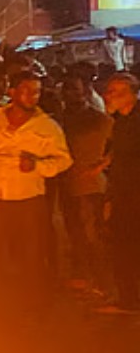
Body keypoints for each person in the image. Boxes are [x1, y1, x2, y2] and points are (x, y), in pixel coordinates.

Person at [0, 71, 72, 312]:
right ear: (12, 92)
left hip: (28, 202)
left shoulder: (47, 127)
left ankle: (31, 304)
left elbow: (64, 160)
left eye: (36, 91)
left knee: (31, 256)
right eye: (26, 90)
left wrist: (38, 165)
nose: (32, 96)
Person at [58, 73, 112, 294]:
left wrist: (101, 166)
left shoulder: (101, 120)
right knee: (76, 230)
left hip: (90, 187)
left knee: (91, 234)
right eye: (68, 90)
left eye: (76, 90)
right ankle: (88, 276)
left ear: (86, 92)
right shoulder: (59, 120)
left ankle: (99, 280)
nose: (72, 94)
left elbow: (120, 148)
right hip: (68, 184)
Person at [103, 73, 140, 313]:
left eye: (114, 92)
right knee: (123, 246)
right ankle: (128, 297)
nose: (108, 96)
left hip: (134, 197)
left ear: (131, 95)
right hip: (123, 195)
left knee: (128, 247)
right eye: (109, 91)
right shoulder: (121, 121)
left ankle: (130, 300)